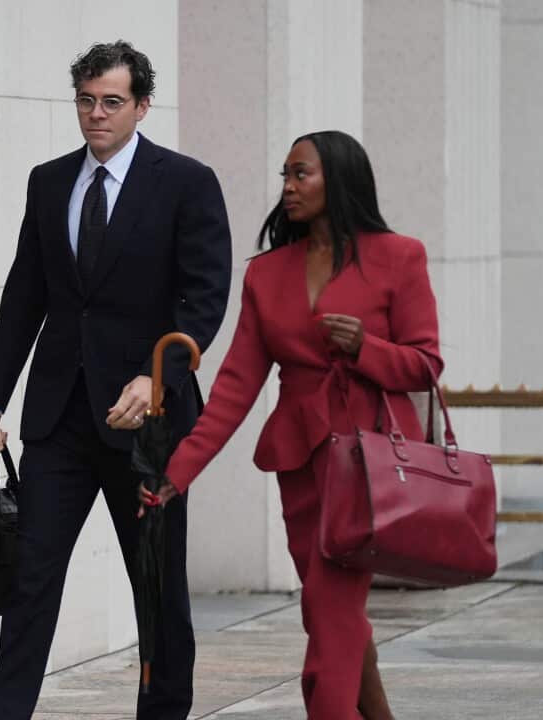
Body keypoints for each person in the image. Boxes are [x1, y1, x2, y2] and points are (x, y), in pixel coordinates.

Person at [0, 41, 232, 720]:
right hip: (59, 420)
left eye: (112, 102)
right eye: (85, 101)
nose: (96, 114)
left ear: (142, 106)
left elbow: (204, 299)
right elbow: (25, 296)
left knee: (157, 588)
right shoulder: (49, 181)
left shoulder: (187, 182)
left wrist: (157, 379)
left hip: (148, 429)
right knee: (29, 583)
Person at [140, 130, 443, 720]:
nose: (288, 186)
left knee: (332, 610)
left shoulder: (399, 256)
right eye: (285, 174)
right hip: (300, 463)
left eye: (301, 174)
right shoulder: (267, 273)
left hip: (370, 465)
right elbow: (235, 387)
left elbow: (425, 365)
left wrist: (366, 348)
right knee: (329, 611)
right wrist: (178, 471)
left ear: (340, 180)